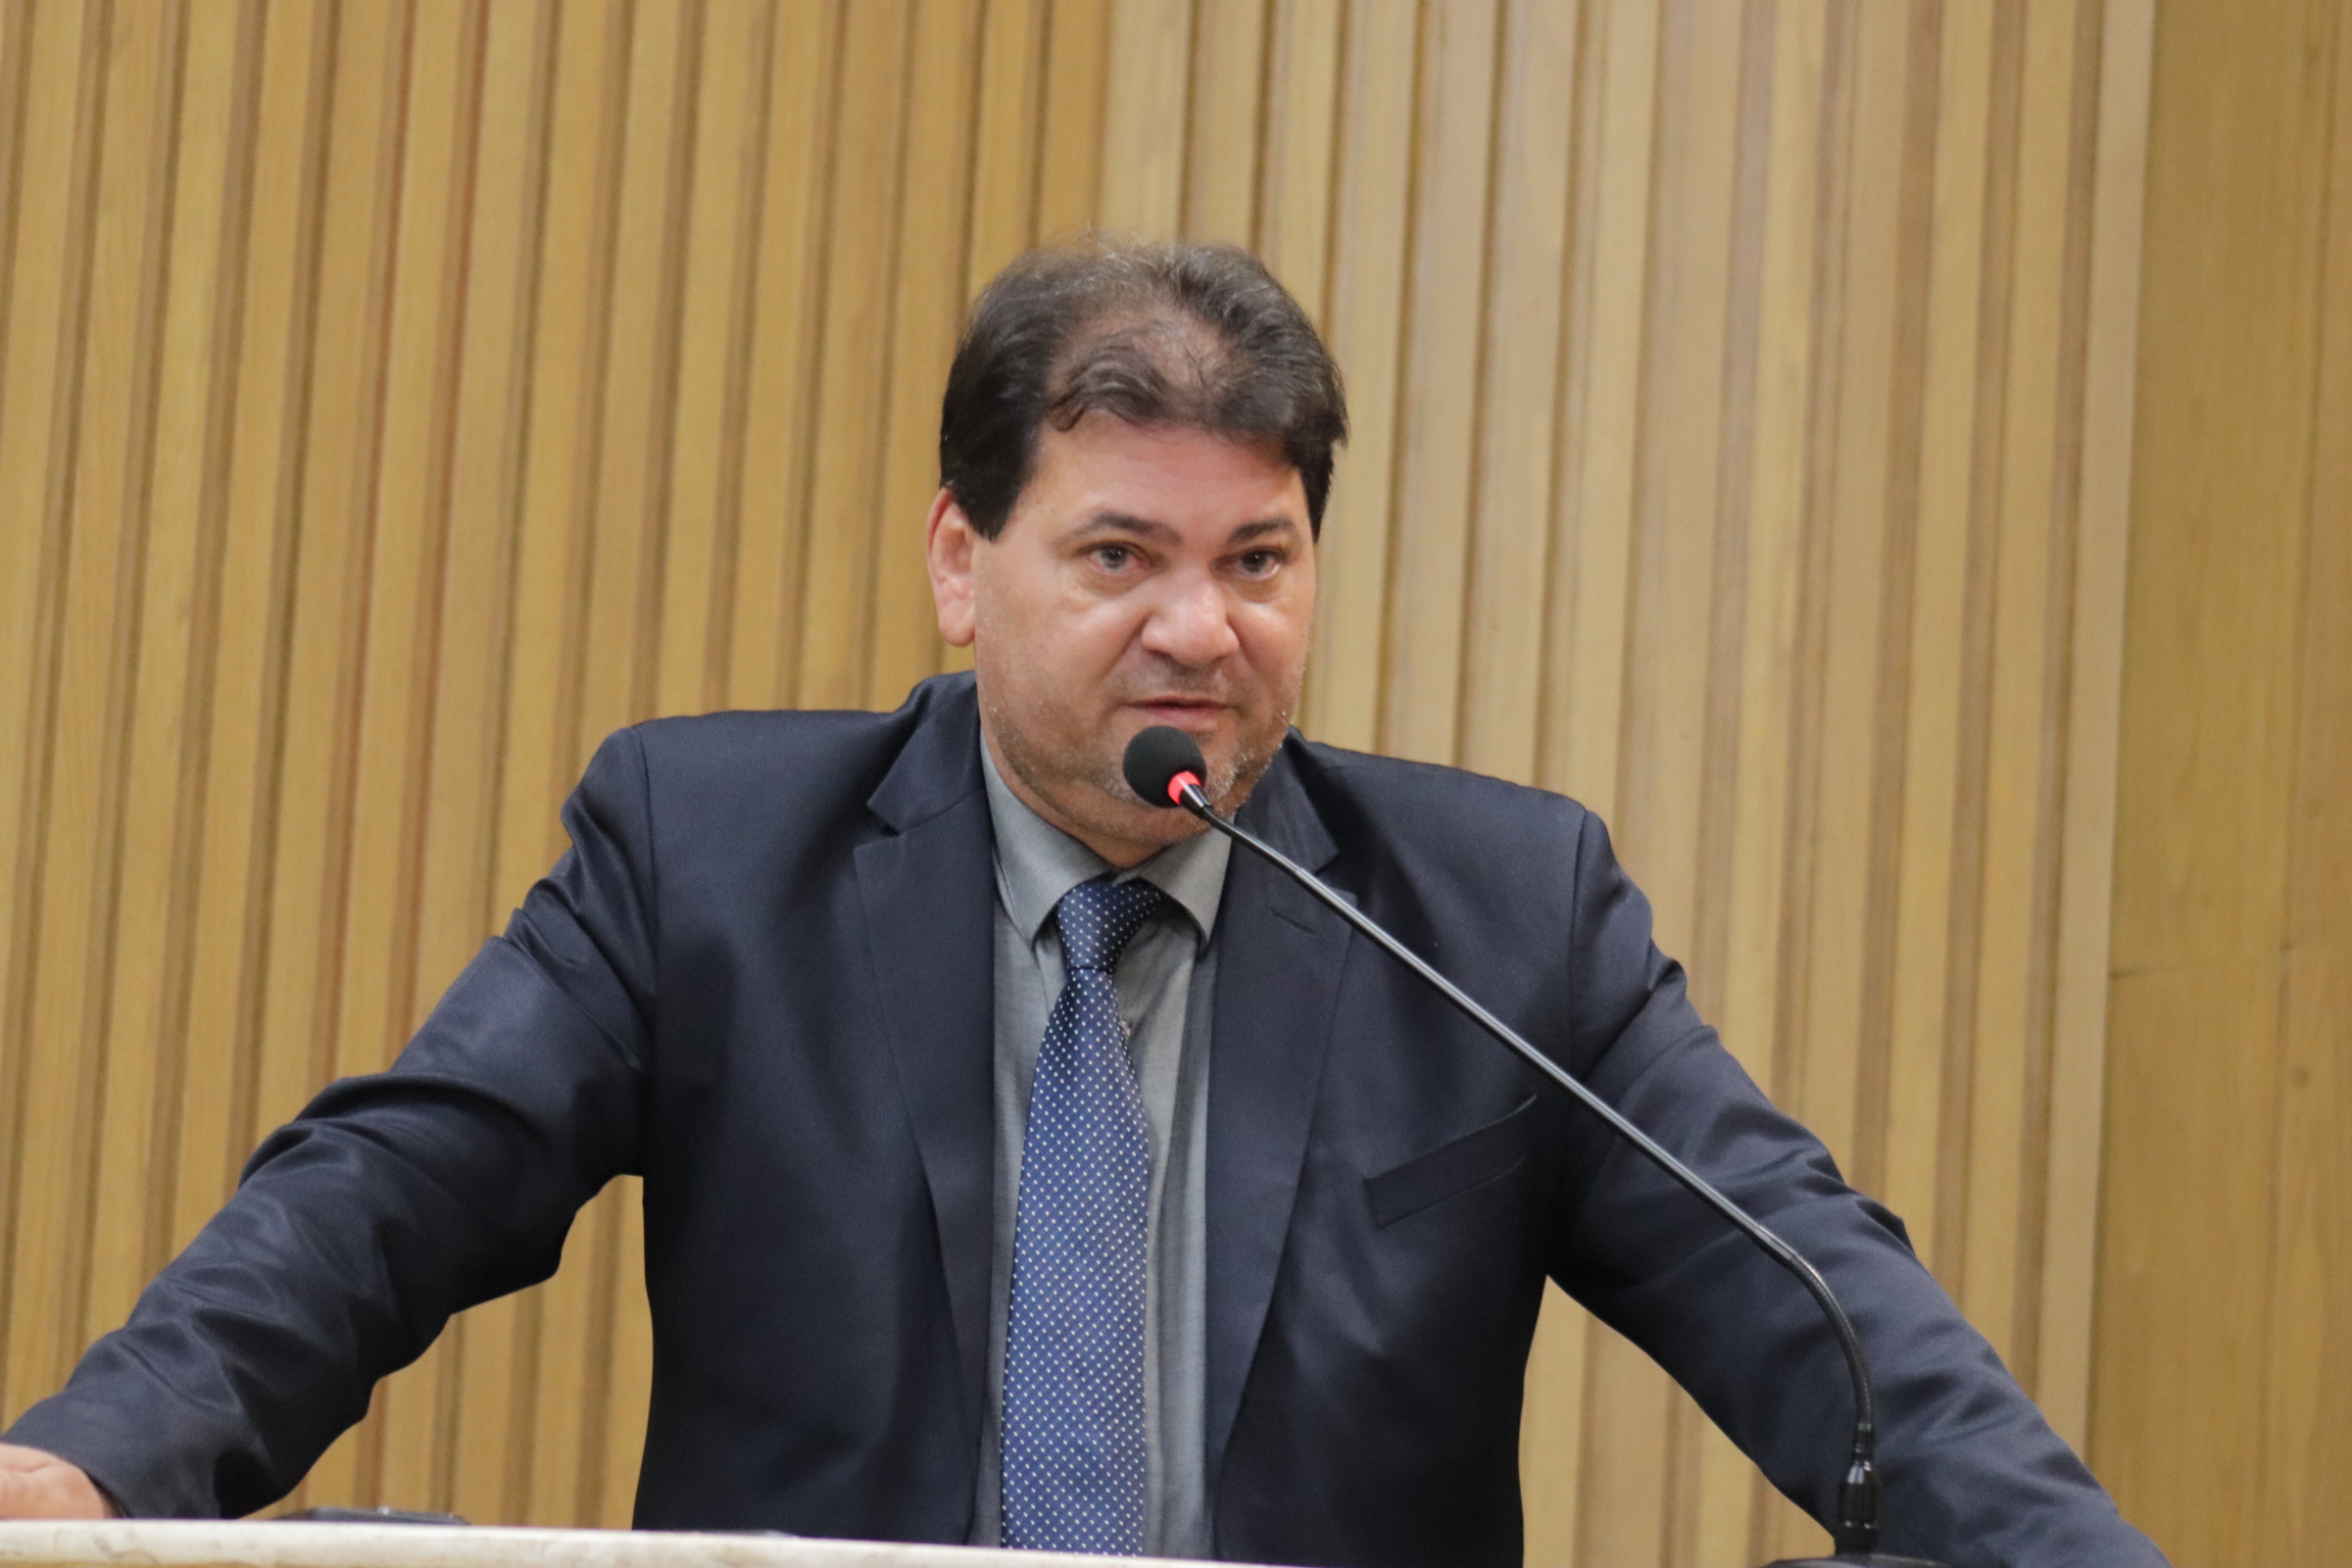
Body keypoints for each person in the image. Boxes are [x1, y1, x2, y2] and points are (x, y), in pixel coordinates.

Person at [0, 239, 2160, 1566]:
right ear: (966, 564)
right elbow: (386, 1192)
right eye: (1120, 555)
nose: (1200, 630)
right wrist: (97, 1466)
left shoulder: (1501, 916)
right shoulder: (711, 855)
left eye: (1258, 561)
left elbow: (1817, 1293)